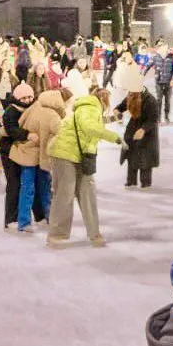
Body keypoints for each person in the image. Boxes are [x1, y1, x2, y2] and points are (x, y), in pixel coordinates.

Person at [45, 88, 123, 248]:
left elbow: (93, 123)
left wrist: (112, 118)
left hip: (81, 156)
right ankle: (56, 234)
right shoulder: (89, 107)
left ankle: (94, 233)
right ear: (102, 99)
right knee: (65, 194)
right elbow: (89, 127)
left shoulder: (89, 108)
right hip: (64, 154)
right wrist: (115, 137)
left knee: (88, 193)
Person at [10, 89, 68, 233]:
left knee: (27, 188)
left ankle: (24, 222)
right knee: (45, 188)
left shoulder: (35, 106)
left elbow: (20, 123)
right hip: (41, 156)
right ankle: (50, 217)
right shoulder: (53, 115)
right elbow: (62, 134)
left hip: (26, 153)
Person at [0, 83, 35, 230]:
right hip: (9, 151)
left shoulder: (31, 109)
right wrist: (28, 134)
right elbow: (12, 129)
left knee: (27, 184)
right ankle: (11, 219)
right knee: (14, 184)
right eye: (24, 97)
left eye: (30, 97)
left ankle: (34, 216)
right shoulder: (11, 111)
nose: (27, 100)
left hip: (23, 150)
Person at [118, 68, 161, 189]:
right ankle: (131, 181)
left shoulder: (151, 100)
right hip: (133, 129)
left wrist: (143, 130)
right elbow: (122, 106)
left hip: (147, 133)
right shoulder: (131, 95)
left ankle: (145, 182)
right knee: (131, 155)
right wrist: (117, 110)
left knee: (145, 159)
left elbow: (153, 119)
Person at [145, 44, 173, 124]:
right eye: (166, 49)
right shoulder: (155, 57)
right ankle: (158, 118)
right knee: (158, 100)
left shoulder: (171, 57)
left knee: (167, 100)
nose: (167, 50)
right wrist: (142, 73)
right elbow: (148, 65)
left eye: (167, 49)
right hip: (158, 81)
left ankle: (166, 117)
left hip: (168, 82)